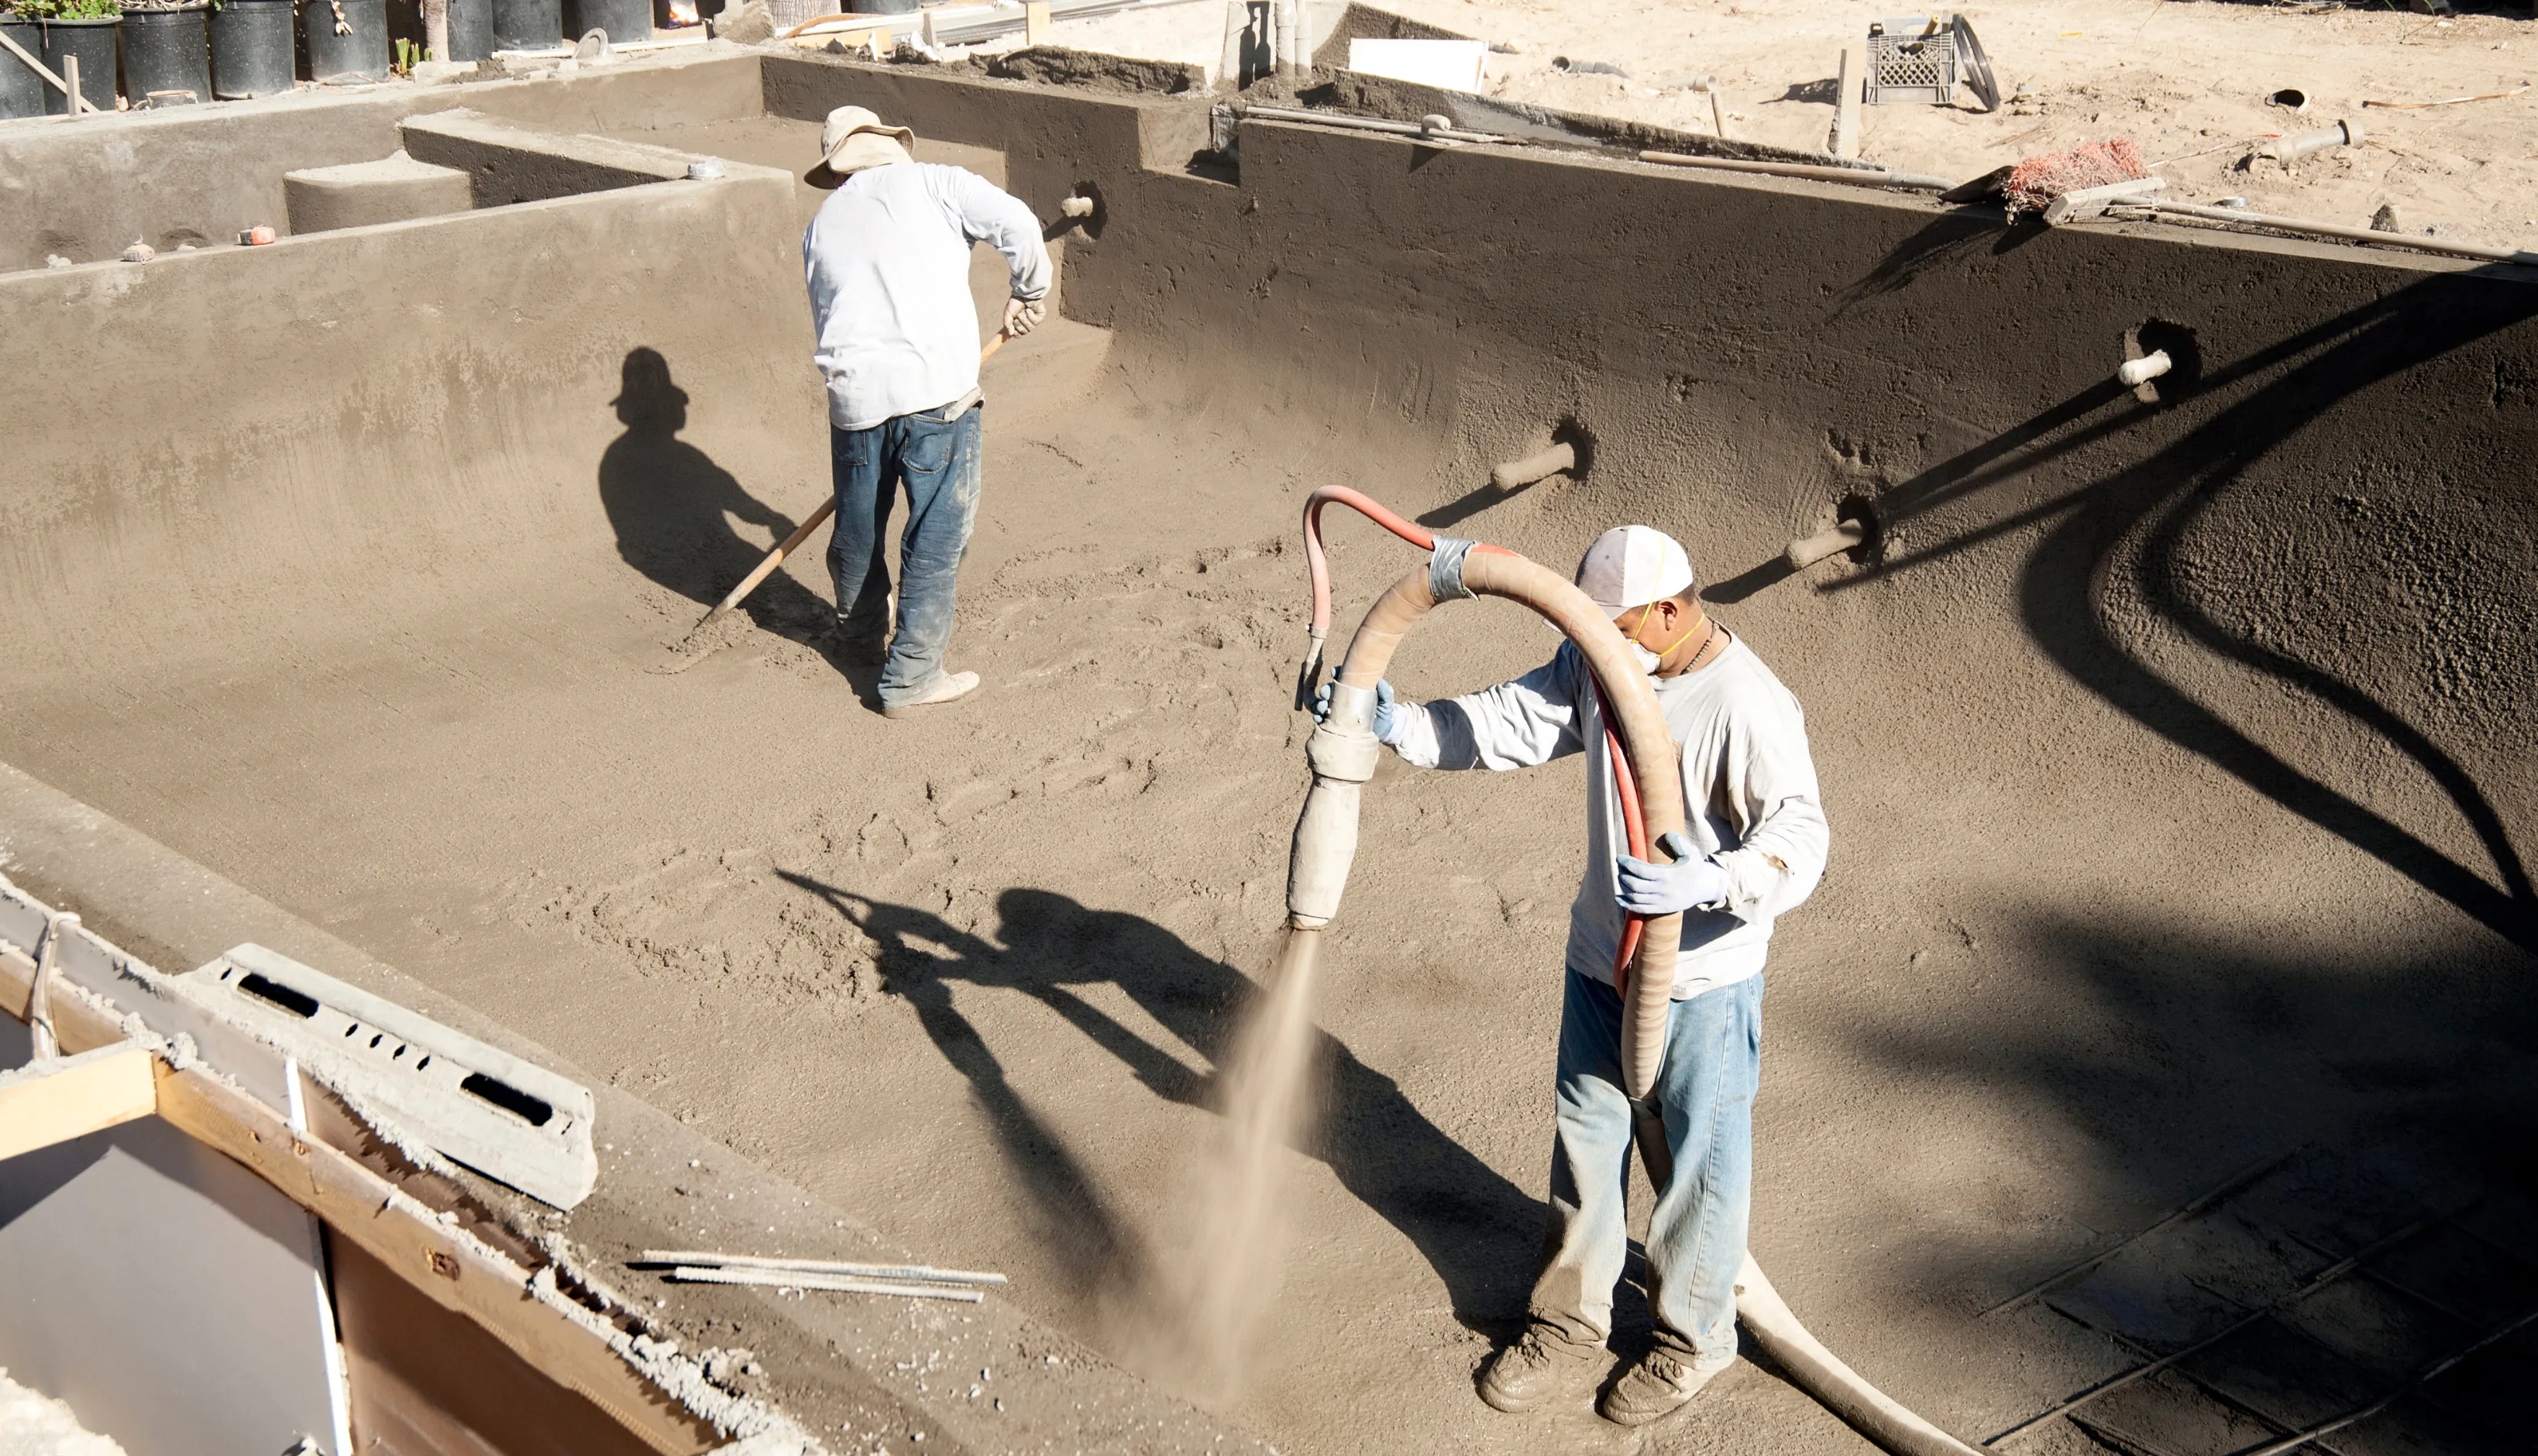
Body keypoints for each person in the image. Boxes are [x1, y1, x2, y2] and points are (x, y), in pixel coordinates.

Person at [1319, 524, 1828, 1427]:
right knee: (1587, 1144)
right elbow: (1515, 720)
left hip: (1702, 982)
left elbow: (1802, 837)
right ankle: (1567, 1319)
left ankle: (1691, 1340)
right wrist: (1405, 725)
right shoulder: (1600, 660)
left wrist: (1713, 878)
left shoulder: (1749, 703)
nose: (1600, 643)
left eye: (1618, 626)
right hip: (1602, 959)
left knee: (1700, 1171)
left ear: (1672, 610)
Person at [801, 105, 1053, 716]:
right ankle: (912, 677)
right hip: (937, 392)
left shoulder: (822, 221)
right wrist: (1030, 290)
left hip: (853, 398)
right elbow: (1017, 222)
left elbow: (829, 311)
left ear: (837, 171)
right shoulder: (939, 182)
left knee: (859, 532)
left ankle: (860, 636)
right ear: (890, 147)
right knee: (937, 534)